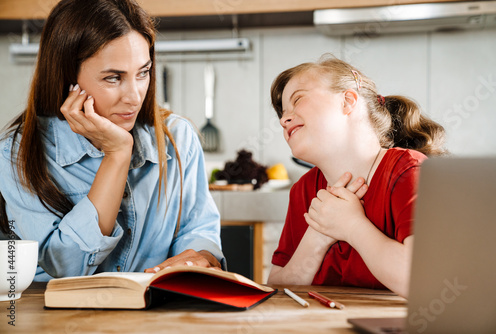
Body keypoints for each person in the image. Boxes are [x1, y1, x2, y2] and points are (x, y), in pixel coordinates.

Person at [0, 0, 224, 282]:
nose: (134, 97)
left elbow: (199, 229)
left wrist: (202, 257)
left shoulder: (178, 137)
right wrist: (117, 154)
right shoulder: (17, 153)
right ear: (69, 79)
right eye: (113, 78)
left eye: (143, 73)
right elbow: (65, 267)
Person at [267, 56, 446, 297]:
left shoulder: (409, 171)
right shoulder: (303, 190)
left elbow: (424, 281)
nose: (283, 119)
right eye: (282, 113)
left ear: (348, 101)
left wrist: (351, 226)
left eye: (297, 99)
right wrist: (318, 236)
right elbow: (277, 289)